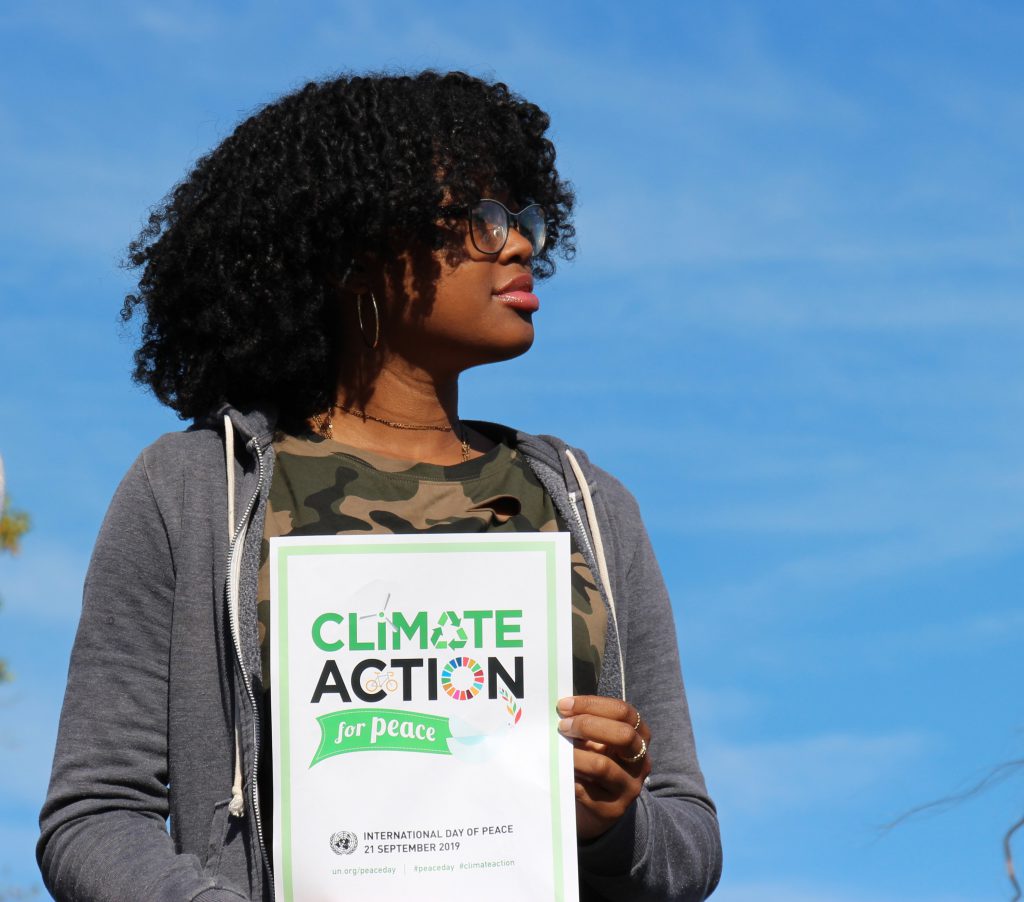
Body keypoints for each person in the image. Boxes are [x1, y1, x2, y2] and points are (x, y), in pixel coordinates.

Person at [37, 70, 722, 901]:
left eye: (523, 217)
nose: (519, 244)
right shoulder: (191, 491)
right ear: (354, 247)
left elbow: (689, 842)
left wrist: (616, 825)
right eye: (479, 219)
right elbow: (95, 816)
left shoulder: (584, 501)